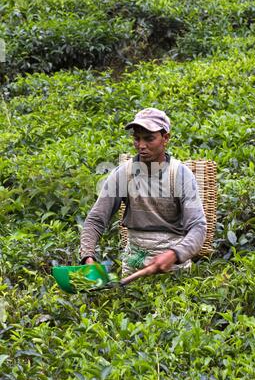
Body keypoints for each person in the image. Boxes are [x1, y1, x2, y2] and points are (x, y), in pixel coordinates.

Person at [79, 108, 207, 283]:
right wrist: (88, 257)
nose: (141, 145)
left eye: (149, 138)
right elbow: (96, 219)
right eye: (137, 138)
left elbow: (198, 227)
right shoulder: (124, 174)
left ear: (165, 138)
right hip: (134, 265)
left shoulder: (180, 175)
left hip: (175, 269)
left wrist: (174, 254)